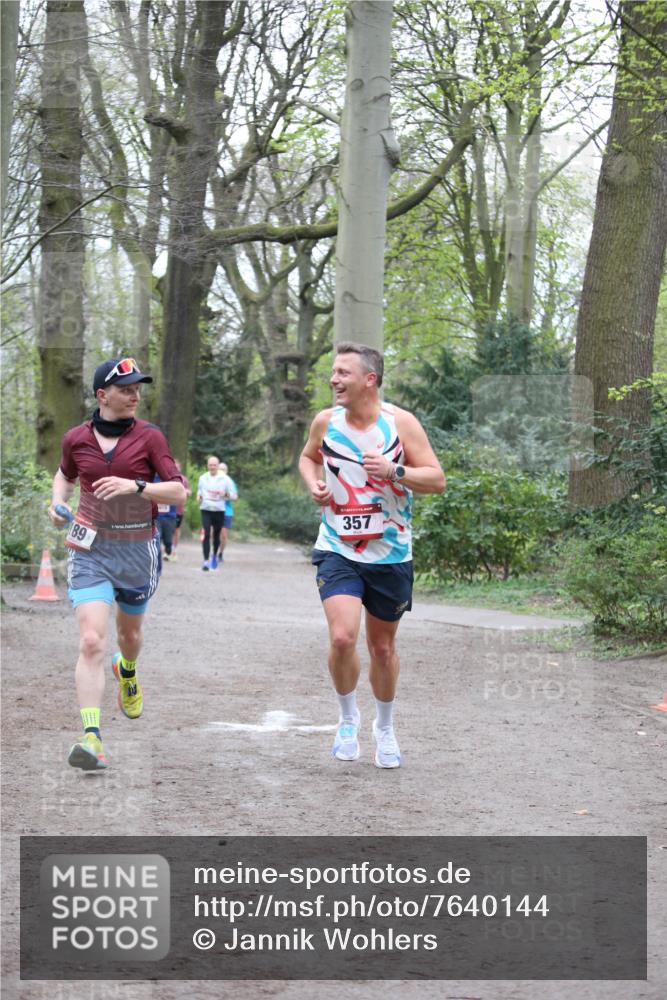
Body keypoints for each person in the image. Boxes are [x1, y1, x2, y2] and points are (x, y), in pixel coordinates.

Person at [299, 342, 445, 769]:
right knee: (342, 637)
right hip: (337, 547)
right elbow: (309, 459)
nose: (333, 379)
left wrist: (395, 470)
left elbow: (436, 479)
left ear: (370, 380)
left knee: (382, 648)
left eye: (343, 372)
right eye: (333, 371)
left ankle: (384, 727)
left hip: (391, 553)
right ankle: (347, 720)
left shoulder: (401, 425)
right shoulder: (326, 422)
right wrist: (314, 484)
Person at [48, 357, 186, 771]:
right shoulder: (76, 438)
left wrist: (138, 485)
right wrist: (57, 504)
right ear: (102, 395)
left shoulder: (150, 438)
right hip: (90, 550)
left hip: (137, 552)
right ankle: (91, 738)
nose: (135, 395)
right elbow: (64, 476)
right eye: (126, 389)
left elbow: (179, 493)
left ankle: (127, 670)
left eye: (138, 388)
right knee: (91, 640)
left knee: (130, 636)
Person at [197, 455, 233, 571]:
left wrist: (224, 495)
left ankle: (214, 555)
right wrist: (199, 497)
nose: (212, 467)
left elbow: (231, 495)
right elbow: (199, 492)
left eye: (214, 465)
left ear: (218, 466)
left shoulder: (225, 479)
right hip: (206, 509)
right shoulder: (203, 478)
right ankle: (205, 560)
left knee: (217, 536)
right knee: (206, 533)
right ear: (207, 466)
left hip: (219, 510)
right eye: (210, 465)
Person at [171, 459, 191, 560]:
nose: (175, 468)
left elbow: (189, 492)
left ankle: (174, 550)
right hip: (165, 510)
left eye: (177, 467)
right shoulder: (166, 478)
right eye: (173, 466)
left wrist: (184, 491)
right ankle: (165, 550)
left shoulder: (183, 480)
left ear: (180, 468)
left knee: (176, 530)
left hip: (178, 509)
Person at [219, 461, 238, 561]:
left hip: (227, 511)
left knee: (224, 535)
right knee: (214, 533)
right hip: (214, 510)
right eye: (220, 469)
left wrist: (224, 495)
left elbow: (235, 497)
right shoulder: (213, 480)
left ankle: (220, 553)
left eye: (223, 470)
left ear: (226, 471)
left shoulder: (230, 482)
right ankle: (213, 551)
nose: (221, 471)